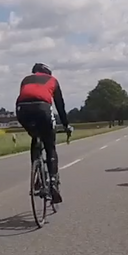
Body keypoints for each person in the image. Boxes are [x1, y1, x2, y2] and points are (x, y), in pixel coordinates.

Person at [16, 62, 73, 203]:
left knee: (35, 138)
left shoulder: (25, 79)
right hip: (42, 108)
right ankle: (52, 181)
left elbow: (24, 96)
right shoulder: (52, 80)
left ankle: (37, 177)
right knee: (49, 145)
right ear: (48, 72)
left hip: (21, 110)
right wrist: (66, 125)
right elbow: (60, 105)